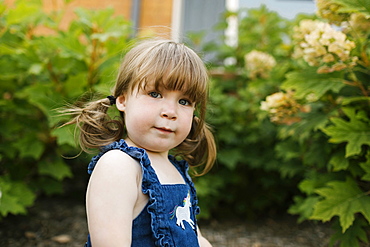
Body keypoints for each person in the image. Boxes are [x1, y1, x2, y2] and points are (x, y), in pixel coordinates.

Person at [63, 39, 217, 246]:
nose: (170, 112)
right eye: (155, 94)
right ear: (123, 100)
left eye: (184, 101)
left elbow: (194, 238)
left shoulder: (175, 169)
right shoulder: (119, 165)